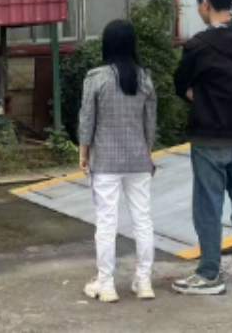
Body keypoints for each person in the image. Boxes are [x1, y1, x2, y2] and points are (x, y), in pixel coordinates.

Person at [171, 0, 232, 295]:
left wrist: (199, 99)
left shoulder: (199, 46)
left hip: (210, 137)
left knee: (208, 206)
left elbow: (180, 83)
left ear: (205, 3)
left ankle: (209, 273)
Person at [78, 20, 157, 303]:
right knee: (143, 221)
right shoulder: (144, 78)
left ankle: (107, 284)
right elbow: (150, 124)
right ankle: (144, 282)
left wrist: (83, 153)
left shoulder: (96, 78)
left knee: (106, 223)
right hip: (138, 160)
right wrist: (147, 154)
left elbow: (87, 119)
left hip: (106, 162)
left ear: (107, 44)